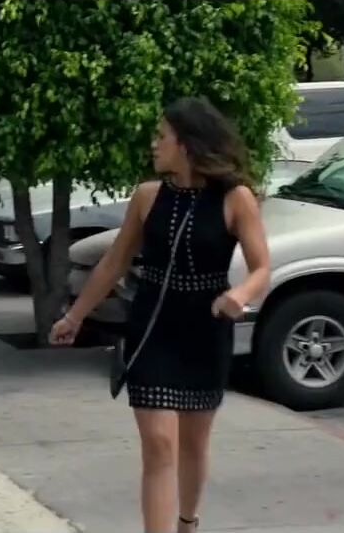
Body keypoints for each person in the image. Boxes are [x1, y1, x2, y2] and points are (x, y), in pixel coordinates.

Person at [50, 97, 271, 533]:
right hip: (153, 326)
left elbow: (262, 267)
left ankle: (187, 522)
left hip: (206, 329)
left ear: (186, 144)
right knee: (158, 444)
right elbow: (113, 262)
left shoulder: (236, 198)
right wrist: (74, 316)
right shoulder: (147, 197)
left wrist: (240, 294)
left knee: (192, 443)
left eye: (161, 136)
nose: (153, 144)